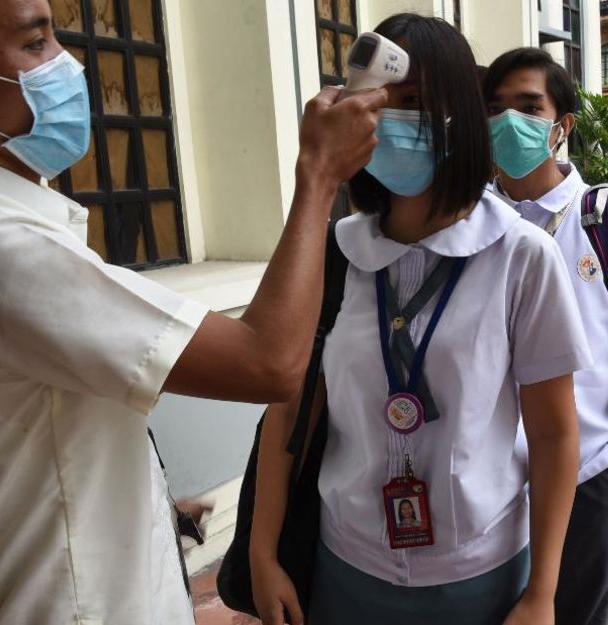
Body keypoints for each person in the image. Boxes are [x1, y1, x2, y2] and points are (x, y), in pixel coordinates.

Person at [0, 0, 388, 621]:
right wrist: (319, 175)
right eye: (35, 46)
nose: (69, 66)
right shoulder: (3, 247)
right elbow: (271, 366)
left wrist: (151, 504)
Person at [251, 16, 588, 625]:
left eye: (414, 104)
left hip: (480, 575)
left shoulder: (521, 256)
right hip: (345, 565)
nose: (394, 122)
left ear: (461, 113)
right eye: (380, 104)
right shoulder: (332, 252)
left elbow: (555, 436)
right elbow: (286, 414)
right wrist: (262, 552)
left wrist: (542, 593)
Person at [483, 47, 608, 625]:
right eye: (494, 109)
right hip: (487, 483)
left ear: (561, 126)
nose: (508, 122)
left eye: (527, 107)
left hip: (590, 471)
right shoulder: (471, 220)